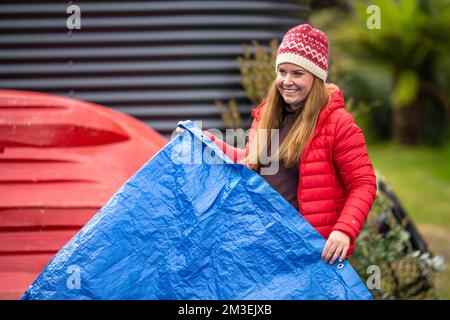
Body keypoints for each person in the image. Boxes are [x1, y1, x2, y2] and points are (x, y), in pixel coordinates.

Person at [176, 24, 377, 265]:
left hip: (311, 252)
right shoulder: (268, 115)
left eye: (297, 73)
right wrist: (202, 139)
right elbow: (249, 163)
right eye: (282, 72)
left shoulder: (337, 123)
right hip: (268, 245)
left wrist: (344, 230)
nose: (287, 81)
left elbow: (363, 183)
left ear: (316, 77)